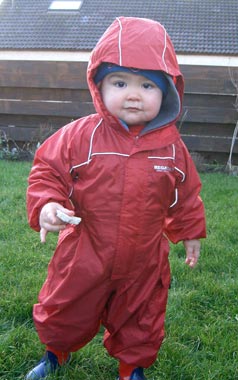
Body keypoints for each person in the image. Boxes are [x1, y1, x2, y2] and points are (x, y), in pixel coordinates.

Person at [25, 16, 206, 380]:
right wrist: (48, 204)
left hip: (144, 256)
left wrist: (189, 232)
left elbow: (185, 194)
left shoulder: (172, 148)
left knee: (142, 314)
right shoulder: (82, 135)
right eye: (120, 82)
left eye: (148, 85)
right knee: (65, 304)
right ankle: (56, 353)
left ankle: (131, 367)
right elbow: (48, 169)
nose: (133, 94)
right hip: (85, 249)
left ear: (168, 92)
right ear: (100, 85)